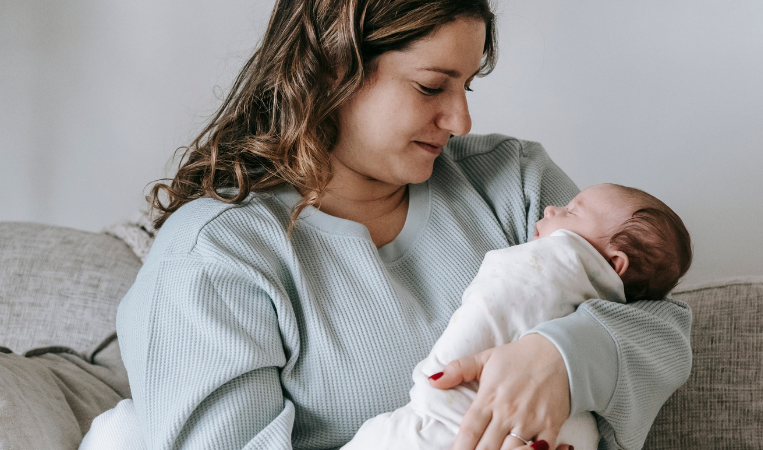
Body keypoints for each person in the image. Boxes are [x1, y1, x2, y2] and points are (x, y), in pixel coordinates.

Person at [108, 0, 693, 449]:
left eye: (467, 86)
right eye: (431, 86)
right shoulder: (220, 254)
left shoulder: (513, 183)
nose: (460, 119)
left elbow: (662, 325)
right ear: (333, 67)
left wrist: (561, 360)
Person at [342, 183, 693, 450]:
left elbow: (668, 329)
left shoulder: (530, 199)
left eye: (571, 212)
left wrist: (559, 355)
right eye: (430, 87)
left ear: (615, 263)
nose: (551, 207)